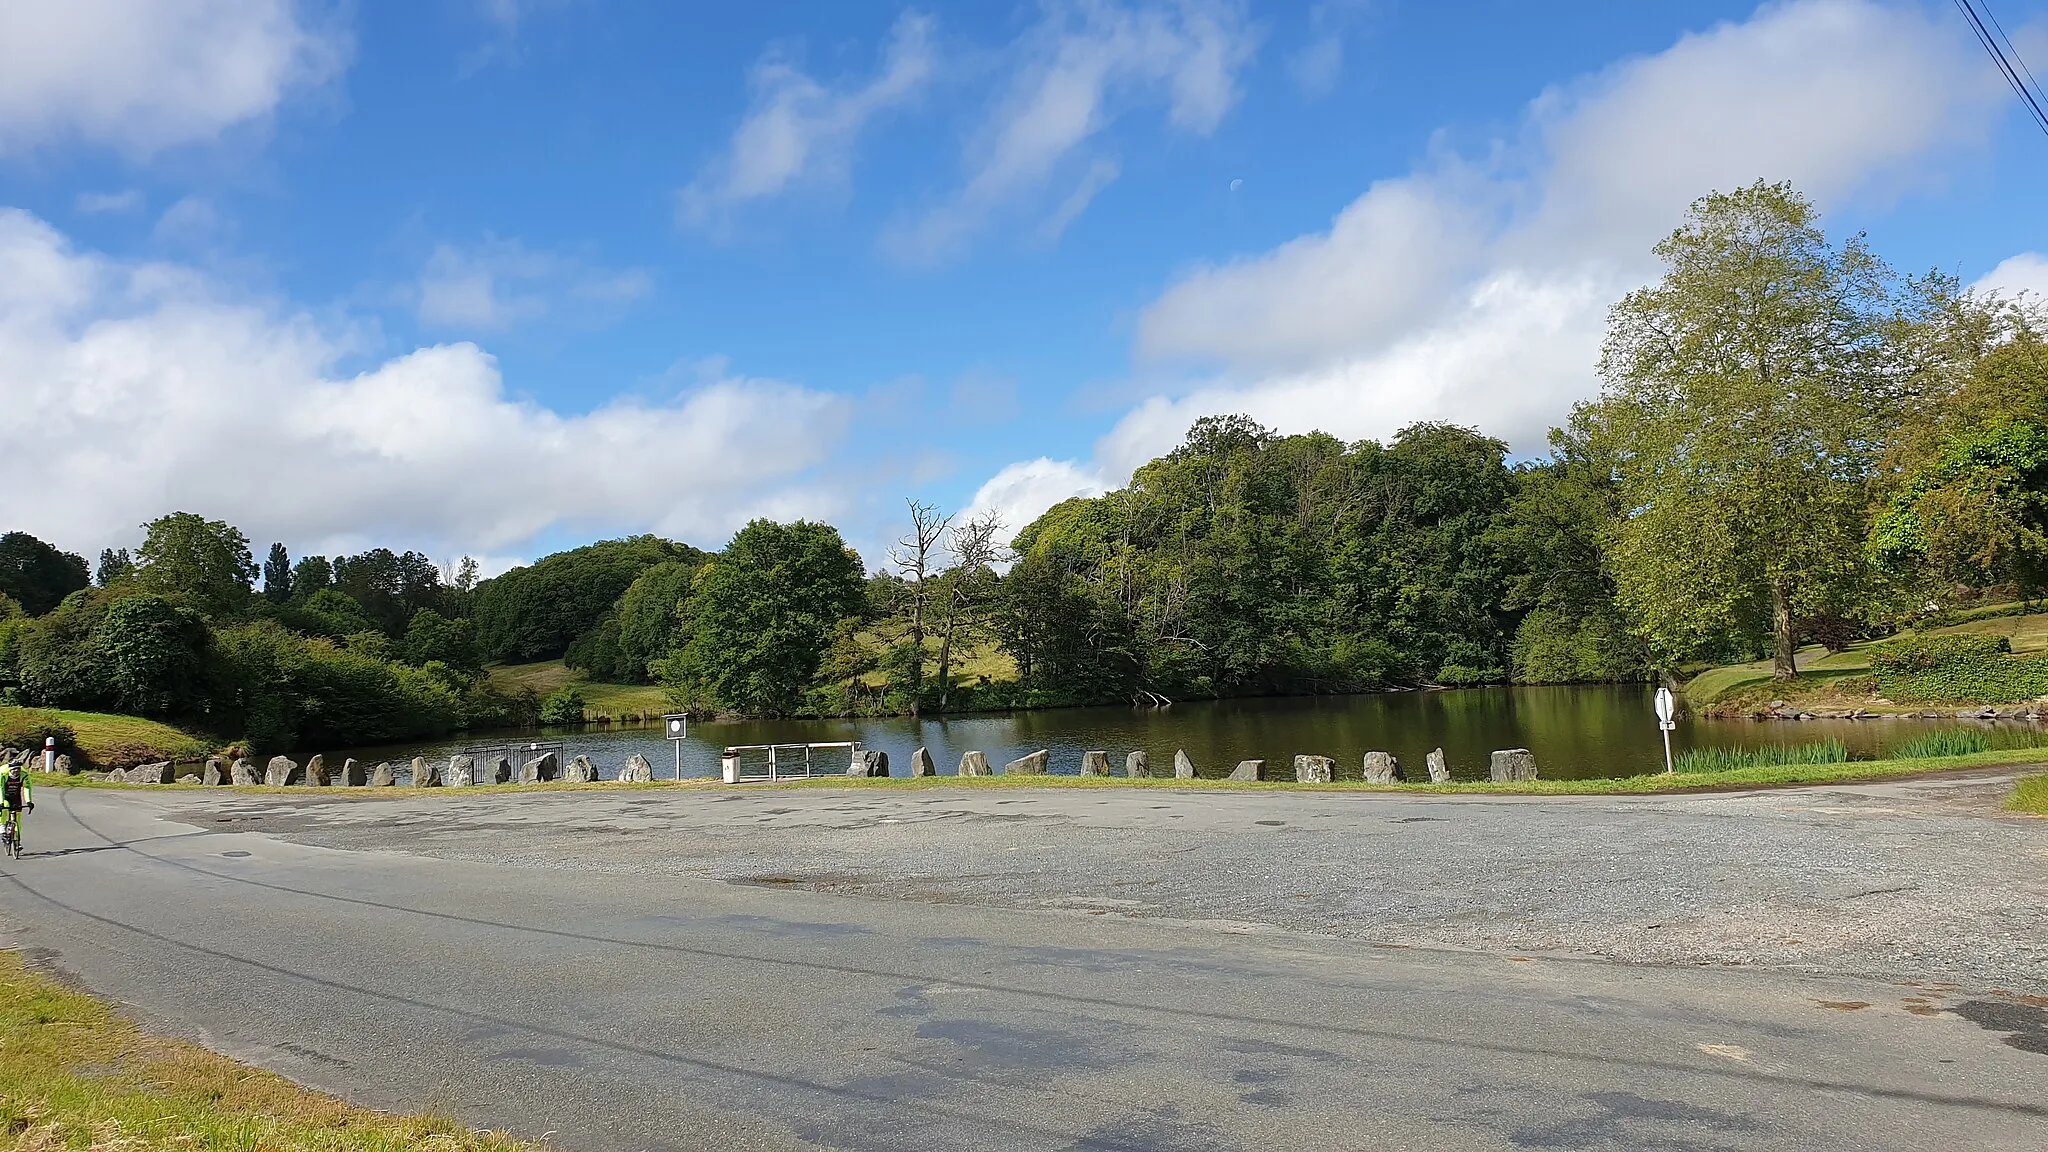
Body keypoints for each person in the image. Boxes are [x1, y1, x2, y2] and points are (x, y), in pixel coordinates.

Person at [1, 759, 32, 853]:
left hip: (15, 795)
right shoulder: (3, 774)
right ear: (10, 770)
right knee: (5, 807)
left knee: (18, 819)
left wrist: (29, 801)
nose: (17, 771)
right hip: (3, 795)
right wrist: (1, 803)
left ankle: (17, 842)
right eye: (14, 769)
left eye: (18, 769)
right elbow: (0, 788)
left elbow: (27, 787)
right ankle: (2, 830)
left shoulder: (24, 774)